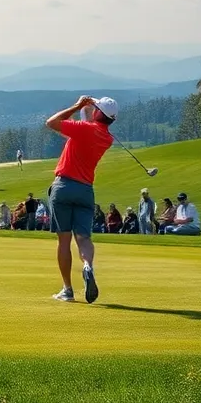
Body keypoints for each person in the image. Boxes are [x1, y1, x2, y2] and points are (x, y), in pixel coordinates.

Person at [43, 94, 117, 303]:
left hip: (64, 187)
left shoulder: (84, 130)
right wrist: (90, 106)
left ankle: (67, 290)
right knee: (83, 238)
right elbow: (90, 123)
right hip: (86, 190)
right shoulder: (107, 138)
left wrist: (77, 105)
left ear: (97, 113)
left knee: (64, 241)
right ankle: (88, 266)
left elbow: (51, 123)